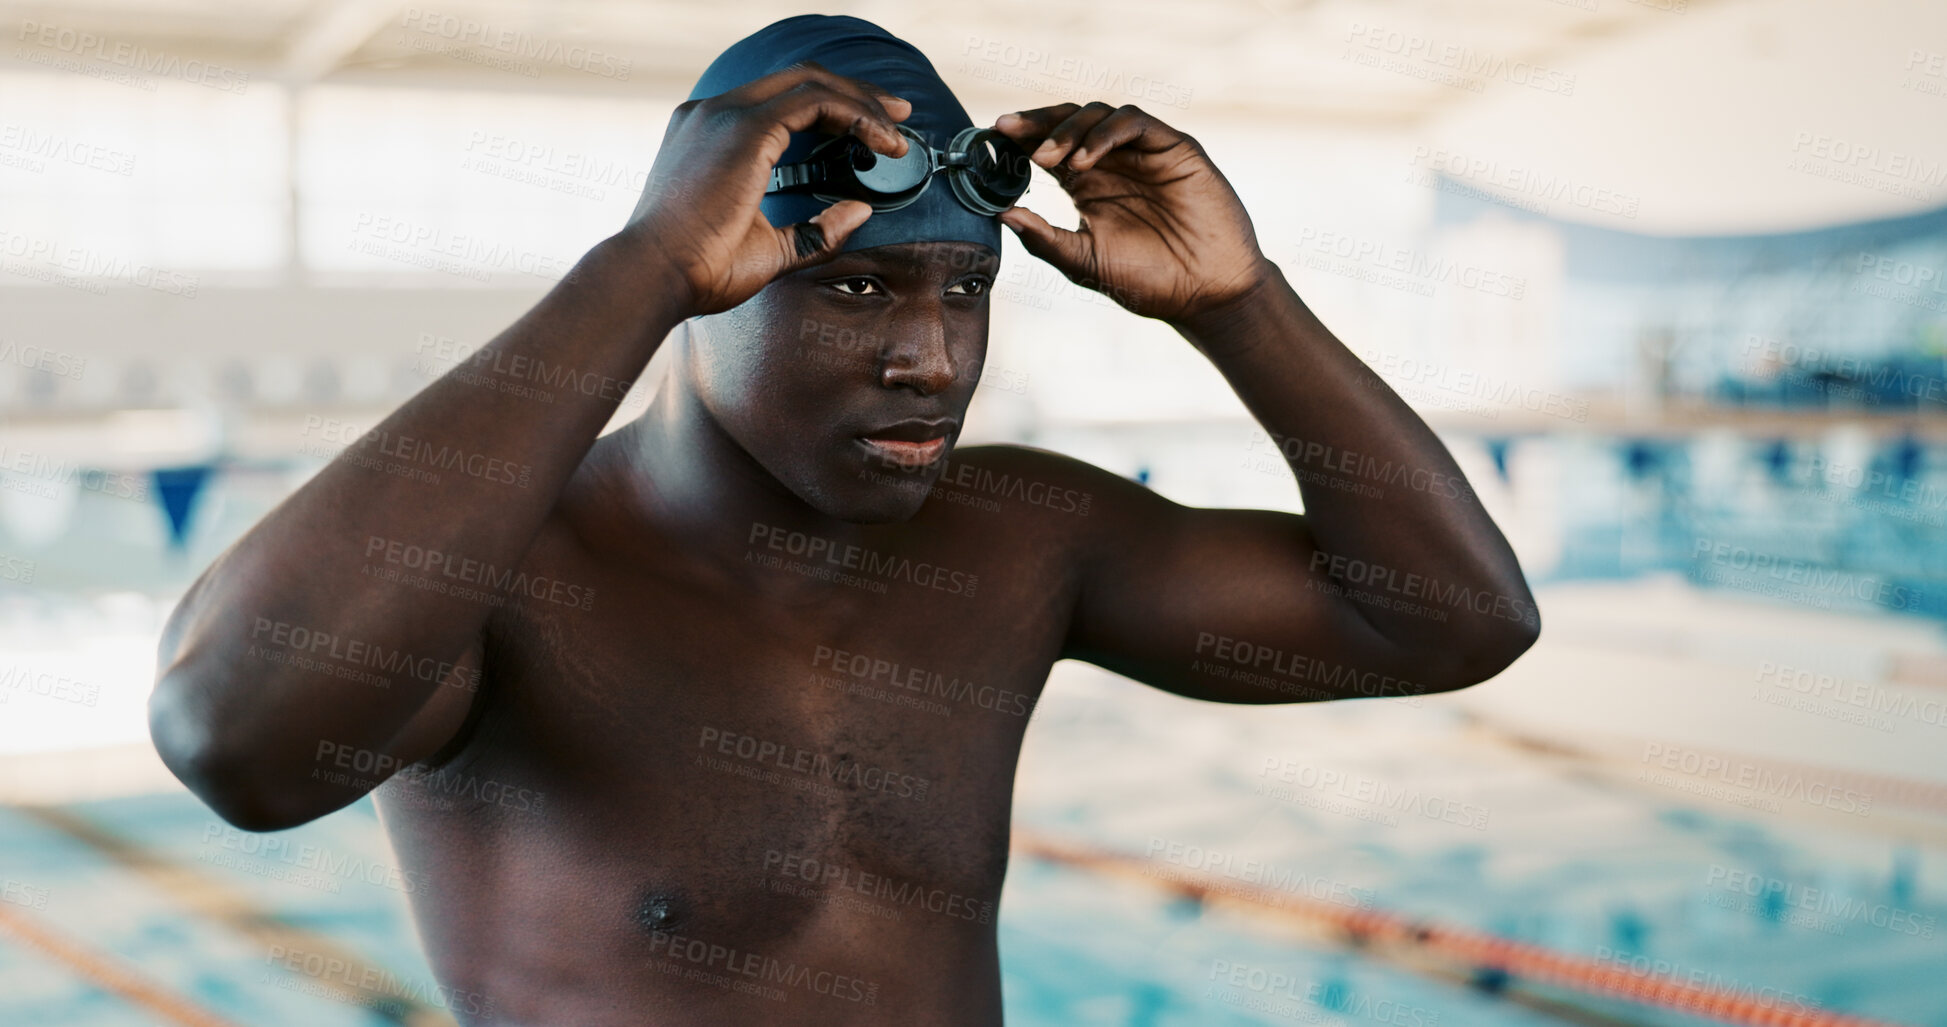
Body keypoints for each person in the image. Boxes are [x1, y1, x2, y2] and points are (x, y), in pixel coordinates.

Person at [148, 14, 1539, 1026]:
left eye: (964, 290)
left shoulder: (1018, 540)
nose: (932, 354)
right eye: (859, 291)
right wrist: (635, 268)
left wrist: (1243, 306)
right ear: (715, 276)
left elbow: (1453, 619)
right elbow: (238, 747)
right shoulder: (510, 573)